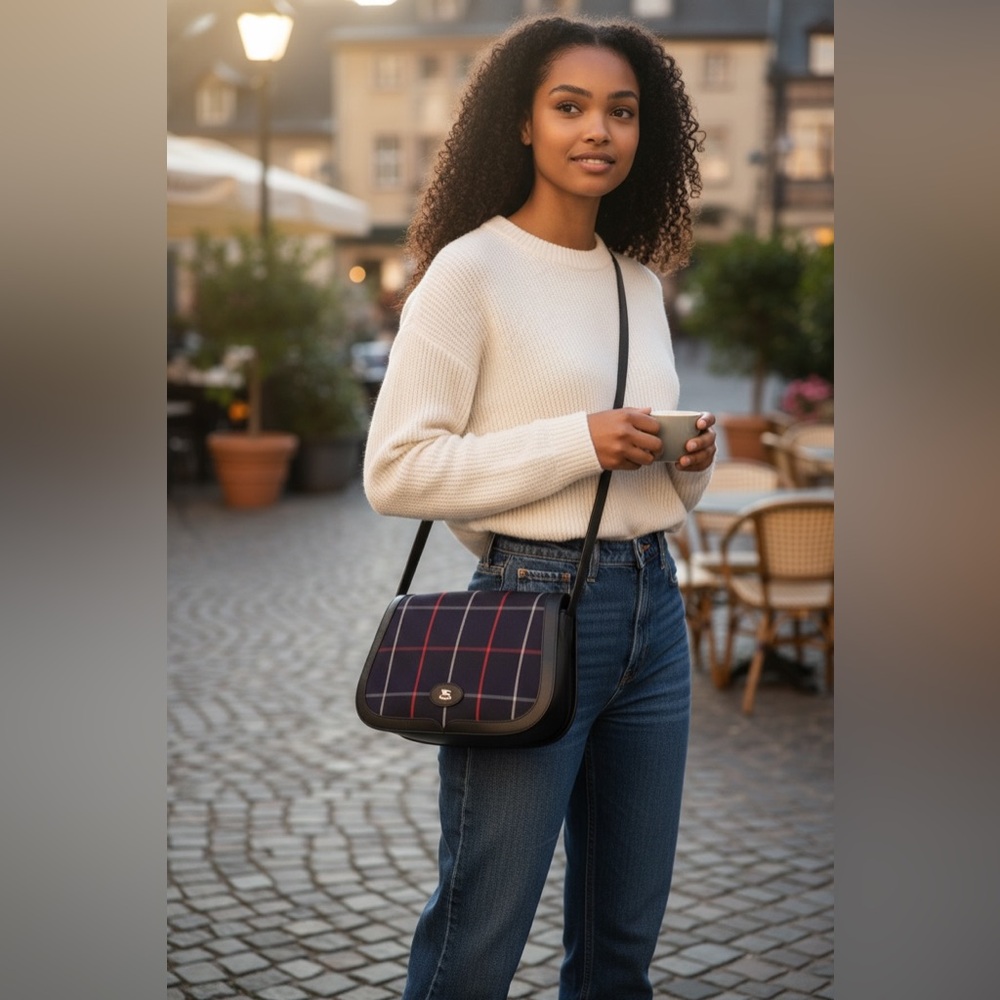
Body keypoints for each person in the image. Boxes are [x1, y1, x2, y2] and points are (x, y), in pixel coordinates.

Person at [363, 13, 717, 999]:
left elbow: (651, 480)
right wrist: (580, 440)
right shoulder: (467, 271)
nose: (597, 129)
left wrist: (689, 457)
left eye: (621, 111)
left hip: (655, 613)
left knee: (621, 940)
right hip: (530, 603)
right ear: (523, 122)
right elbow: (396, 470)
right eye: (570, 106)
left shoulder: (637, 284)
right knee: (480, 934)